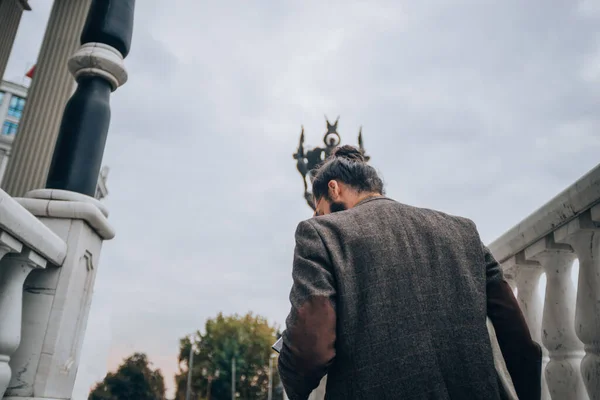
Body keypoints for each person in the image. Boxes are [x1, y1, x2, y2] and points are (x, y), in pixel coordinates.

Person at [278, 145, 542, 400]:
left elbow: (310, 348)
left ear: (333, 188)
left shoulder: (321, 233)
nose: (319, 217)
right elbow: (519, 341)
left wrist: (293, 384)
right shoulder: (462, 231)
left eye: (319, 209)